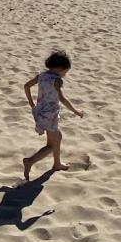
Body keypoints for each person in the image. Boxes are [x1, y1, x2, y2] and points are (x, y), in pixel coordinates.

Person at [22, 51, 84, 179]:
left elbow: (26, 86)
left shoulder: (42, 75)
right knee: (51, 145)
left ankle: (57, 163)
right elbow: (62, 98)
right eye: (65, 72)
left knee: (58, 137)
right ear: (60, 68)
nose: (64, 75)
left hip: (40, 112)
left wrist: (31, 104)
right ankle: (29, 161)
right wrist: (75, 111)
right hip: (50, 116)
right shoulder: (57, 80)